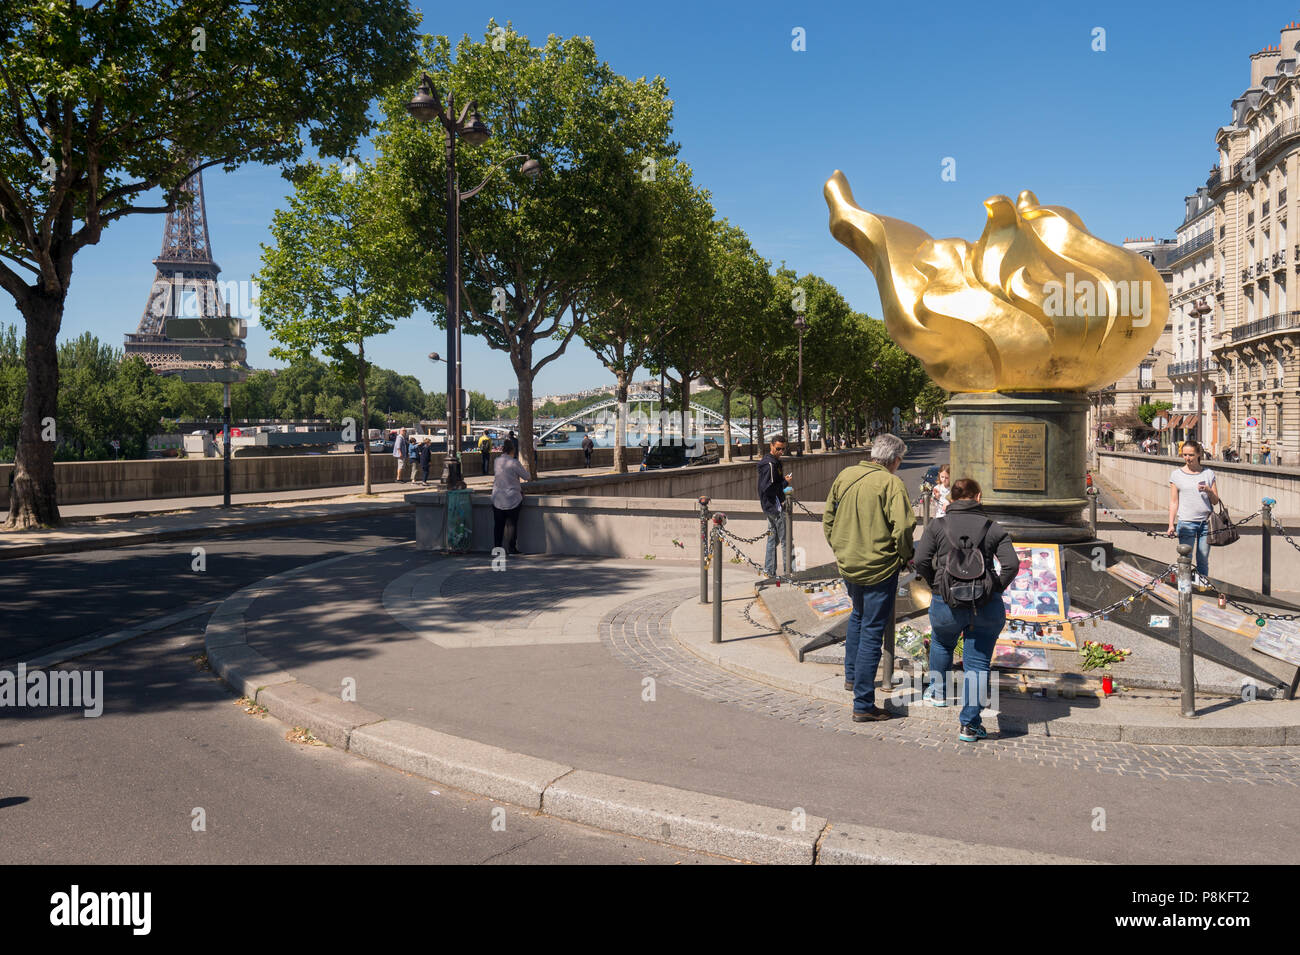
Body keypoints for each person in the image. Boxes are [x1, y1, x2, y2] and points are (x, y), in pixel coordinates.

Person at [913, 477, 1018, 742]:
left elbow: (922, 560)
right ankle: (969, 724)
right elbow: (1012, 565)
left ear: (952, 498)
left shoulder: (938, 526)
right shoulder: (993, 527)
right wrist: (994, 588)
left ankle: (938, 692)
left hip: (945, 600)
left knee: (941, 643)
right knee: (978, 663)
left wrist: (936, 585)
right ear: (978, 497)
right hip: (984, 604)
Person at [822, 433, 916, 722]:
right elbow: (902, 529)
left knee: (858, 617)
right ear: (895, 460)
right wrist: (903, 556)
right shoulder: (891, 483)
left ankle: (851, 677)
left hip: (849, 565)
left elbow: (828, 520)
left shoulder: (846, 475)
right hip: (880, 568)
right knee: (872, 631)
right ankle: (863, 703)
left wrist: (842, 548)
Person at [1167, 440, 1219, 585]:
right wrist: (1171, 524)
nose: (1187, 458)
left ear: (1198, 454)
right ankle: (1184, 588)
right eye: (1184, 455)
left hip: (1206, 523)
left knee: (1203, 559)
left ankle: (1202, 588)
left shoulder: (1208, 474)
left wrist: (1208, 490)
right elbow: (1173, 502)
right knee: (1185, 560)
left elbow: (1215, 501)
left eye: (1191, 455)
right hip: (1186, 522)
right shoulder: (1176, 475)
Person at [757, 435, 792, 579]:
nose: (781, 452)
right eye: (778, 448)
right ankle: (788, 573)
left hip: (769, 506)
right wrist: (785, 482)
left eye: (783, 449)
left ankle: (769, 571)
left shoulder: (772, 462)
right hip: (775, 507)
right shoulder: (770, 464)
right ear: (771, 446)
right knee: (786, 540)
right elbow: (769, 488)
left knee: (772, 539)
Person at [492, 437, 530, 555]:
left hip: (497, 497)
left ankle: (497, 548)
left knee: (498, 525)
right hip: (512, 497)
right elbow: (527, 477)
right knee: (512, 524)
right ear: (512, 450)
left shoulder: (496, 461)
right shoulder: (514, 462)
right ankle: (511, 548)